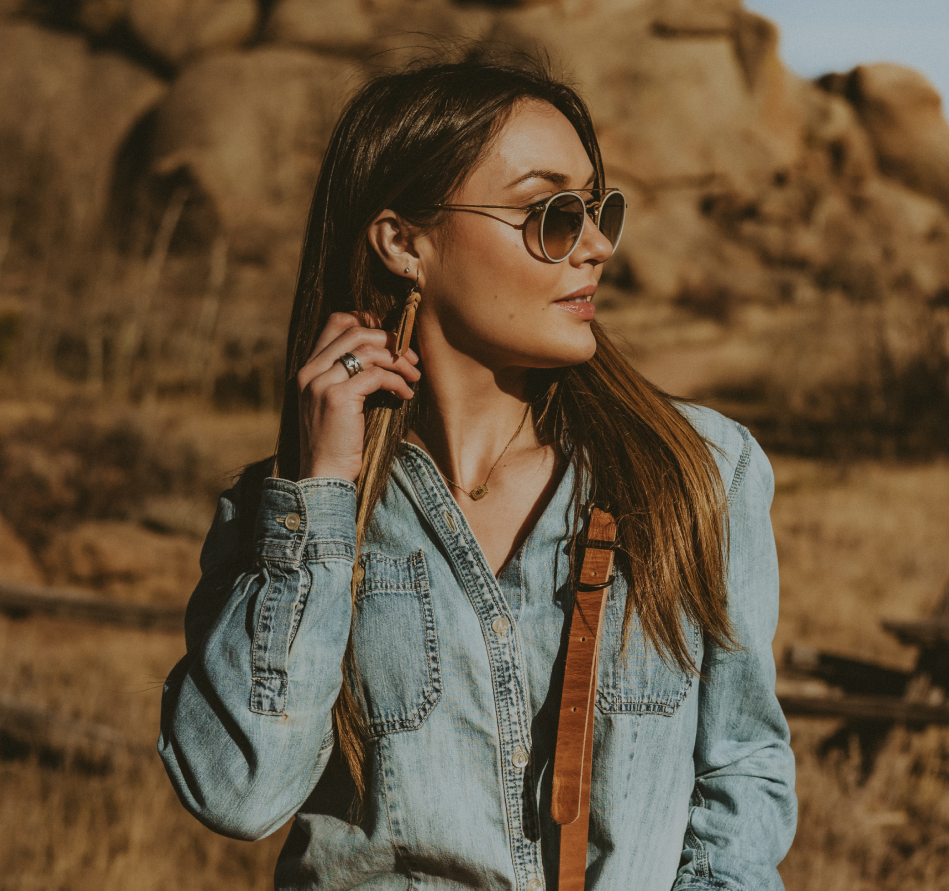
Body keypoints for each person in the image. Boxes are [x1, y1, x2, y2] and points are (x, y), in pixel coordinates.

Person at [159, 57, 796, 891]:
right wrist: (319, 497)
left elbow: (741, 774)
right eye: (550, 213)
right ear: (403, 243)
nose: (597, 246)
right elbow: (238, 792)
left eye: (597, 209)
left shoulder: (698, 468)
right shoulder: (286, 514)